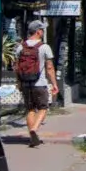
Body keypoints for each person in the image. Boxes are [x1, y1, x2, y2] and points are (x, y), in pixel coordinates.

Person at [15, 20, 58, 148]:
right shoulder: (44, 47)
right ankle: (34, 129)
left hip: (25, 83)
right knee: (43, 108)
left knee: (30, 109)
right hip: (39, 83)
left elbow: (16, 67)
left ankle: (32, 137)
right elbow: (49, 67)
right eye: (42, 30)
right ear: (38, 31)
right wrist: (54, 84)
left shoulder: (20, 47)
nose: (43, 32)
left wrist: (18, 82)